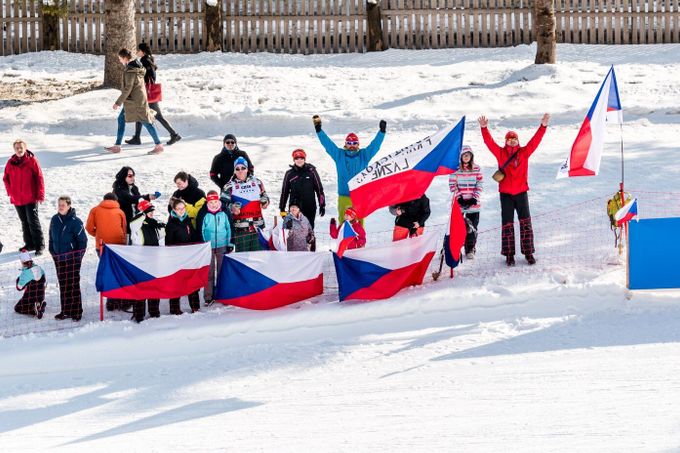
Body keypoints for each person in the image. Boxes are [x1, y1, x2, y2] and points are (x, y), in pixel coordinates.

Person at [478, 113, 550, 266]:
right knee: (507, 224)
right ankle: (509, 255)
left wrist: (543, 126)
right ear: (506, 141)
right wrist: (484, 129)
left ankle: (528, 253)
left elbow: (536, 141)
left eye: (514, 139)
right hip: (506, 195)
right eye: (509, 140)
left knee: (525, 223)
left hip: (521, 193)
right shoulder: (500, 153)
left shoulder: (524, 152)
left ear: (517, 141)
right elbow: (489, 143)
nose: (512, 142)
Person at [313, 115, 386, 224]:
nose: (352, 145)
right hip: (344, 195)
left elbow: (375, 146)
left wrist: (381, 132)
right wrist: (319, 130)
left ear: (358, 144)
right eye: (349, 143)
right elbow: (328, 144)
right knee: (344, 222)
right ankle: (343, 240)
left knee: (360, 222)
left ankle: (360, 241)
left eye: (354, 143)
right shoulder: (339, 155)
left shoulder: (364, 155)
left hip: (359, 195)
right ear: (346, 144)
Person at [105, 47, 164, 155]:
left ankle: (159, 145)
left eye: (120, 58)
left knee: (146, 122)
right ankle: (117, 146)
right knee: (121, 119)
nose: (119, 61)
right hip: (133, 100)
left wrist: (117, 103)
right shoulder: (136, 67)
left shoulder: (130, 71)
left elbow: (128, 88)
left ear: (125, 58)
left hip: (135, 102)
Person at [125, 42, 181, 146]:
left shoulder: (144, 60)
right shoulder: (149, 59)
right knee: (140, 113)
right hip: (147, 91)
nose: (137, 52)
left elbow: (149, 75)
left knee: (158, 116)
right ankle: (137, 137)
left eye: (138, 50)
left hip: (148, 92)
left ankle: (174, 134)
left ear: (143, 51)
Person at [85, 192, 127, 311]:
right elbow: (123, 229)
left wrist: (97, 234)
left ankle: (110, 301)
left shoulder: (95, 210)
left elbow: (88, 227)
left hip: (102, 246)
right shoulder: (120, 212)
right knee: (118, 272)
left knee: (108, 272)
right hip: (118, 246)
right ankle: (120, 299)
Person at [48, 196, 87, 321]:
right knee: (63, 285)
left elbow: (83, 242)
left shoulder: (76, 222)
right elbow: (50, 237)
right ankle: (65, 310)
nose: (60, 207)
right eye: (59, 204)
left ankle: (76, 312)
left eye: (63, 205)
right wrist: (52, 252)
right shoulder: (55, 219)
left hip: (72, 260)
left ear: (69, 206)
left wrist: (77, 259)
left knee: (73, 285)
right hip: (58, 258)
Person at [3, 139, 45, 254]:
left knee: (33, 221)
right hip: (17, 199)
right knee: (24, 221)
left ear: (25, 148)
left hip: (31, 197)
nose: (19, 150)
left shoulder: (32, 161)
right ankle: (29, 244)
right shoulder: (10, 162)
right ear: (14, 149)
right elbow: (5, 178)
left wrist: (40, 194)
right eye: (17, 148)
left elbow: (39, 178)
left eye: (21, 147)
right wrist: (10, 191)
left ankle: (39, 245)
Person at [222, 157, 269, 252]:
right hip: (241, 229)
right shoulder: (229, 186)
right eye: (237, 169)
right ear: (234, 171)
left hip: (257, 227)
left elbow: (265, 196)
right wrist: (232, 208)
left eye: (243, 168)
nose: (240, 171)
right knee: (243, 259)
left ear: (247, 169)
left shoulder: (257, 182)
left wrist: (265, 202)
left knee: (259, 258)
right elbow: (222, 205)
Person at [129, 198, 165, 322]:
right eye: (149, 211)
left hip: (154, 259)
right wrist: (143, 213)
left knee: (154, 286)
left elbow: (161, 235)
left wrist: (161, 226)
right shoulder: (136, 224)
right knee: (141, 287)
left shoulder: (153, 223)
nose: (152, 213)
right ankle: (139, 314)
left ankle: (154, 311)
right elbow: (134, 223)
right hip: (140, 261)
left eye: (152, 211)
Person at [195, 191, 232, 306]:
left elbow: (229, 228)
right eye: (211, 202)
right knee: (209, 272)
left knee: (222, 271)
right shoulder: (203, 213)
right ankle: (208, 297)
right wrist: (203, 245)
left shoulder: (224, 211)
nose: (214, 204)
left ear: (219, 201)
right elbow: (200, 230)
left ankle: (223, 294)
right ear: (207, 202)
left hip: (222, 245)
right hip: (208, 247)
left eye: (216, 201)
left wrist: (230, 243)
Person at [165, 197, 201, 314]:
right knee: (177, 282)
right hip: (177, 257)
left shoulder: (187, 220)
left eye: (183, 208)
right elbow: (168, 243)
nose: (181, 211)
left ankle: (195, 306)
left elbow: (193, 236)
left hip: (189, 256)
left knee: (192, 280)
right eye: (178, 209)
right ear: (174, 210)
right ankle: (175, 308)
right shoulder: (171, 224)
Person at [449, 145, 483, 259]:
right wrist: (459, 198)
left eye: (468, 155)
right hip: (460, 204)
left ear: (471, 156)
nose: (466, 157)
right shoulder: (455, 170)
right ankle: (455, 248)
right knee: (458, 227)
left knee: (472, 227)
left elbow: (480, 184)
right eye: (464, 155)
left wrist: (474, 197)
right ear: (461, 157)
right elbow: (452, 185)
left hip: (473, 204)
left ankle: (470, 248)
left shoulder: (477, 169)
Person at [279, 148, 325, 230]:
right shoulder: (289, 173)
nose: (299, 160)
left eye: (301, 158)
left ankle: (310, 243)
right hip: (294, 207)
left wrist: (322, 205)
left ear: (304, 159)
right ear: (294, 160)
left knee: (308, 230)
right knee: (294, 231)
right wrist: (282, 208)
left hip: (309, 206)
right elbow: (284, 192)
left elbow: (319, 190)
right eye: (297, 158)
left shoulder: (312, 172)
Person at [112, 166, 159, 233]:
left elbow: (139, 200)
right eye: (130, 176)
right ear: (123, 176)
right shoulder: (118, 189)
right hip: (125, 224)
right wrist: (147, 197)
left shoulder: (134, 188)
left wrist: (148, 201)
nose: (133, 178)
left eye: (133, 176)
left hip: (136, 222)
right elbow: (130, 199)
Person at [14, 251, 47, 319]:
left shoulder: (25, 273)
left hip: (30, 296)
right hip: (41, 295)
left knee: (17, 308)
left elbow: (19, 288)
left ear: (22, 262)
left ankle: (35, 310)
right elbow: (45, 281)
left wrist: (18, 280)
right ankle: (40, 304)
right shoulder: (39, 268)